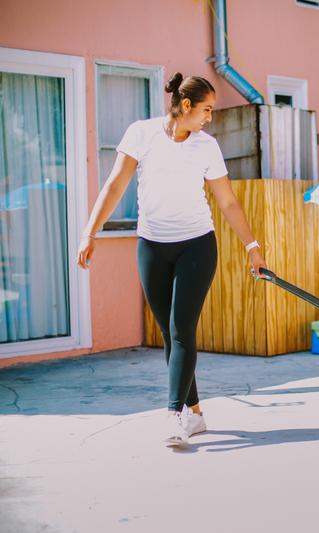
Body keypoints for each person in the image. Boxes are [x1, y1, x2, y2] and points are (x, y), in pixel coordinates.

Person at [77, 72, 267, 446]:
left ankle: (174, 415)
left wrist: (252, 247)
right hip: (152, 246)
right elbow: (115, 184)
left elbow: (227, 202)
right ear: (185, 107)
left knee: (181, 331)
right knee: (170, 335)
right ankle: (195, 413)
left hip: (197, 245)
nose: (209, 118)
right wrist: (90, 231)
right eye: (206, 110)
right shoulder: (141, 134)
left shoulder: (206, 146)